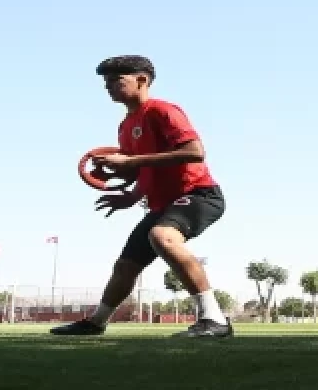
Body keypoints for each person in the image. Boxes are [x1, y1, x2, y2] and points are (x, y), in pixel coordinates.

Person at [50, 55, 231, 338]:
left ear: (142, 80)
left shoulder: (162, 111)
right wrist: (125, 189)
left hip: (198, 195)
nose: (108, 87)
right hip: (161, 204)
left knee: (163, 237)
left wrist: (131, 162)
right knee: (125, 266)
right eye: (105, 82)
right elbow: (143, 171)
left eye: (116, 80)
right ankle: (96, 322)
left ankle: (215, 319)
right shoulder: (125, 126)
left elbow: (195, 151)